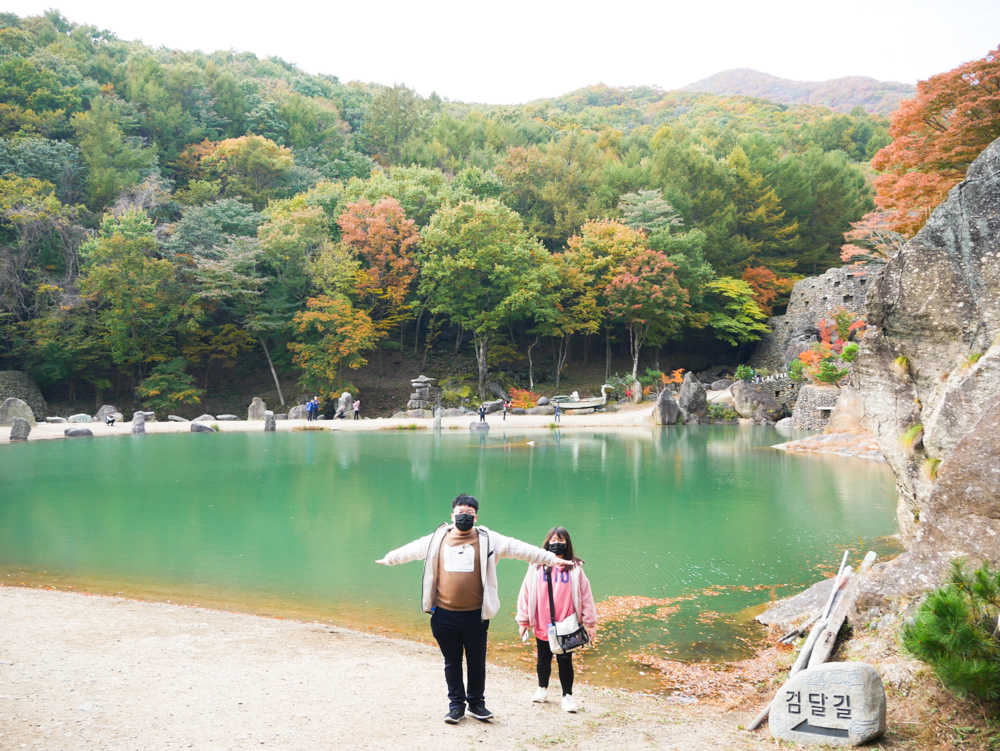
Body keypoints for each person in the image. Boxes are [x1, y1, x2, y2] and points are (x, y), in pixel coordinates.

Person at [376, 495, 573, 725]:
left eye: (469, 513)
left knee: (476, 663)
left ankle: (476, 704)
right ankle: (456, 706)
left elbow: (519, 548)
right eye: (460, 513)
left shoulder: (488, 539)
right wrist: (390, 559)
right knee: (452, 662)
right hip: (444, 613)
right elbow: (412, 549)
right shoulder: (438, 538)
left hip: (476, 614)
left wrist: (552, 559)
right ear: (452, 515)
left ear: (476, 517)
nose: (464, 517)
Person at [516, 527, 597, 713]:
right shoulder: (537, 566)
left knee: (565, 660)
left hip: (566, 623)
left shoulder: (575, 568)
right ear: (547, 543)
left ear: (567, 543)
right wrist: (523, 621)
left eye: (560, 540)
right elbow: (525, 593)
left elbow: (586, 595)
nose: (556, 544)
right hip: (542, 621)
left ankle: (567, 697)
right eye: (552, 540)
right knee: (543, 659)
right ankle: (542, 689)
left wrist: (590, 623)